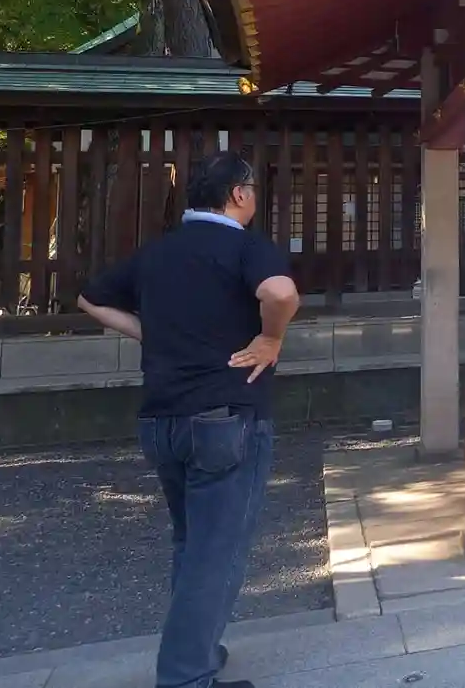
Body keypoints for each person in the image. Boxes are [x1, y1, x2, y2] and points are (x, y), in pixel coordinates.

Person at [77, 152, 299, 688]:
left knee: (191, 544)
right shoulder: (246, 247)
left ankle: (198, 651)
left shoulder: (158, 252)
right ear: (239, 194)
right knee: (216, 554)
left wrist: (153, 333)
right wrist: (270, 338)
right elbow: (279, 292)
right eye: (252, 189)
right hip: (225, 417)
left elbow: (90, 299)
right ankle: (185, 676)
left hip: (161, 421)